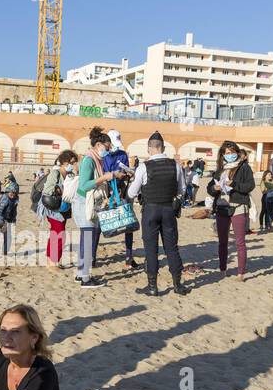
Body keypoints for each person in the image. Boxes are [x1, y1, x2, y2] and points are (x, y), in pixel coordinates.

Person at [127, 131, 191, 297]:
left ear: (149, 149)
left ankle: (152, 287)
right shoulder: (175, 165)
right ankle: (178, 285)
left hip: (150, 210)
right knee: (172, 247)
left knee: (151, 248)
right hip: (169, 209)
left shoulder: (144, 167)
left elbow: (132, 192)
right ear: (163, 147)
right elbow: (182, 189)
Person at [72, 127, 125, 288]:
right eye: (107, 147)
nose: (108, 151)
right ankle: (85, 279)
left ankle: (81, 274)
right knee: (87, 240)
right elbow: (84, 185)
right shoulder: (89, 160)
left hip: (89, 202)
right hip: (84, 203)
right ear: (99, 145)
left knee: (85, 239)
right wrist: (105, 177)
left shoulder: (97, 159)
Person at [208, 140, 255, 278]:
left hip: (238, 207)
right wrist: (214, 188)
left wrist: (234, 184)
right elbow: (210, 189)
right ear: (222, 155)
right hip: (222, 207)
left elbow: (250, 186)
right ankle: (223, 269)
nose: (230, 155)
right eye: (227, 153)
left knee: (240, 242)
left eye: (232, 152)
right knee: (222, 241)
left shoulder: (244, 167)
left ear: (237, 152)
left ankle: (240, 273)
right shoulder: (220, 170)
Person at [104, 130, 138, 269]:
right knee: (101, 223)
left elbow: (124, 173)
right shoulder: (103, 156)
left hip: (122, 191)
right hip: (106, 192)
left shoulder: (122, 154)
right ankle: (92, 257)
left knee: (128, 224)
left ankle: (129, 257)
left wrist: (127, 174)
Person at [40, 150, 78, 270]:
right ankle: (53, 262)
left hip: (63, 208)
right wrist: (62, 190)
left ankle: (51, 261)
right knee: (59, 233)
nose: (74, 164)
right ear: (65, 162)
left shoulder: (69, 175)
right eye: (72, 162)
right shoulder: (55, 173)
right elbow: (48, 190)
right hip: (53, 209)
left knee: (55, 233)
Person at [0, 185, 19, 260]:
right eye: (11, 193)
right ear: (7, 192)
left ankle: (5, 253)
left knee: (8, 236)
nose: (13, 194)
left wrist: (13, 219)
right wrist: (2, 222)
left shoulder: (15, 199)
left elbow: (14, 210)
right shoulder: (5, 199)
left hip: (5, 218)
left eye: (14, 193)